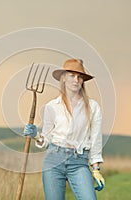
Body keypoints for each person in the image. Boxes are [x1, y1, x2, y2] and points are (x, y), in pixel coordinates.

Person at [23, 58, 105, 200]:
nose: (76, 80)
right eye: (72, 75)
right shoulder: (52, 106)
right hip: (54, 160)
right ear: (63, 78)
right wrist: (36, 135)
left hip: (79, 162)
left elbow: (95, 140)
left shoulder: (93, 107)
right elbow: (46, 139)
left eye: (79, 77)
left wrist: (96, 169)